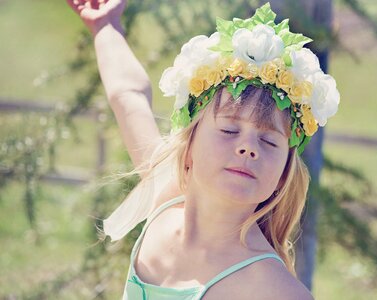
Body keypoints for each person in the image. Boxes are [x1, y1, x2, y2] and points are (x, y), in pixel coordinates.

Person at [67, 0, 339, 299]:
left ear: (286, 168)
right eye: (229, 130)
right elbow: (128, 96)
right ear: (189, 141)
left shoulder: (274, 290)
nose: (248, 148)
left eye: (270, 141)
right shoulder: (163, 201)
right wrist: (105, 26)